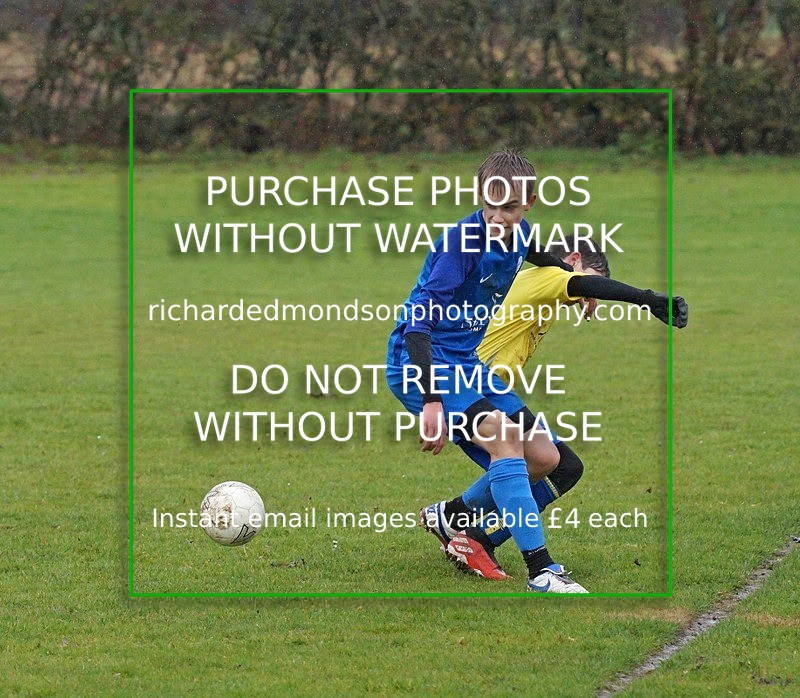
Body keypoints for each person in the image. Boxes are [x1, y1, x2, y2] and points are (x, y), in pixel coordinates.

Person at [419, 235, 688, 584]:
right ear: (573, 259)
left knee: (560, 465)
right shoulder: (547, 277)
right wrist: (647, 299)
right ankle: (498, 547)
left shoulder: (548, 289)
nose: (592, 295)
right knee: (534, 462)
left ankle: (461, 524)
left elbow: (579, 284)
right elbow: (579, 282)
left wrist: (584, 288)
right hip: (465, 386)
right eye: (593, 282)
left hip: (489, 388)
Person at [386, 149, 591, 593]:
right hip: (421, 361)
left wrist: (575, 284)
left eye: (510, 207)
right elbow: (417, 327)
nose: (498, 216)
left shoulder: (519, 233)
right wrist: (431, 401)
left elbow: (539, 255)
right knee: (505, 438)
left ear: (529, 203)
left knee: (547, 459)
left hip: (466, 363)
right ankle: (542, 571)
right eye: (490, 205)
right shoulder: (460, 244)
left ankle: (454, 518)